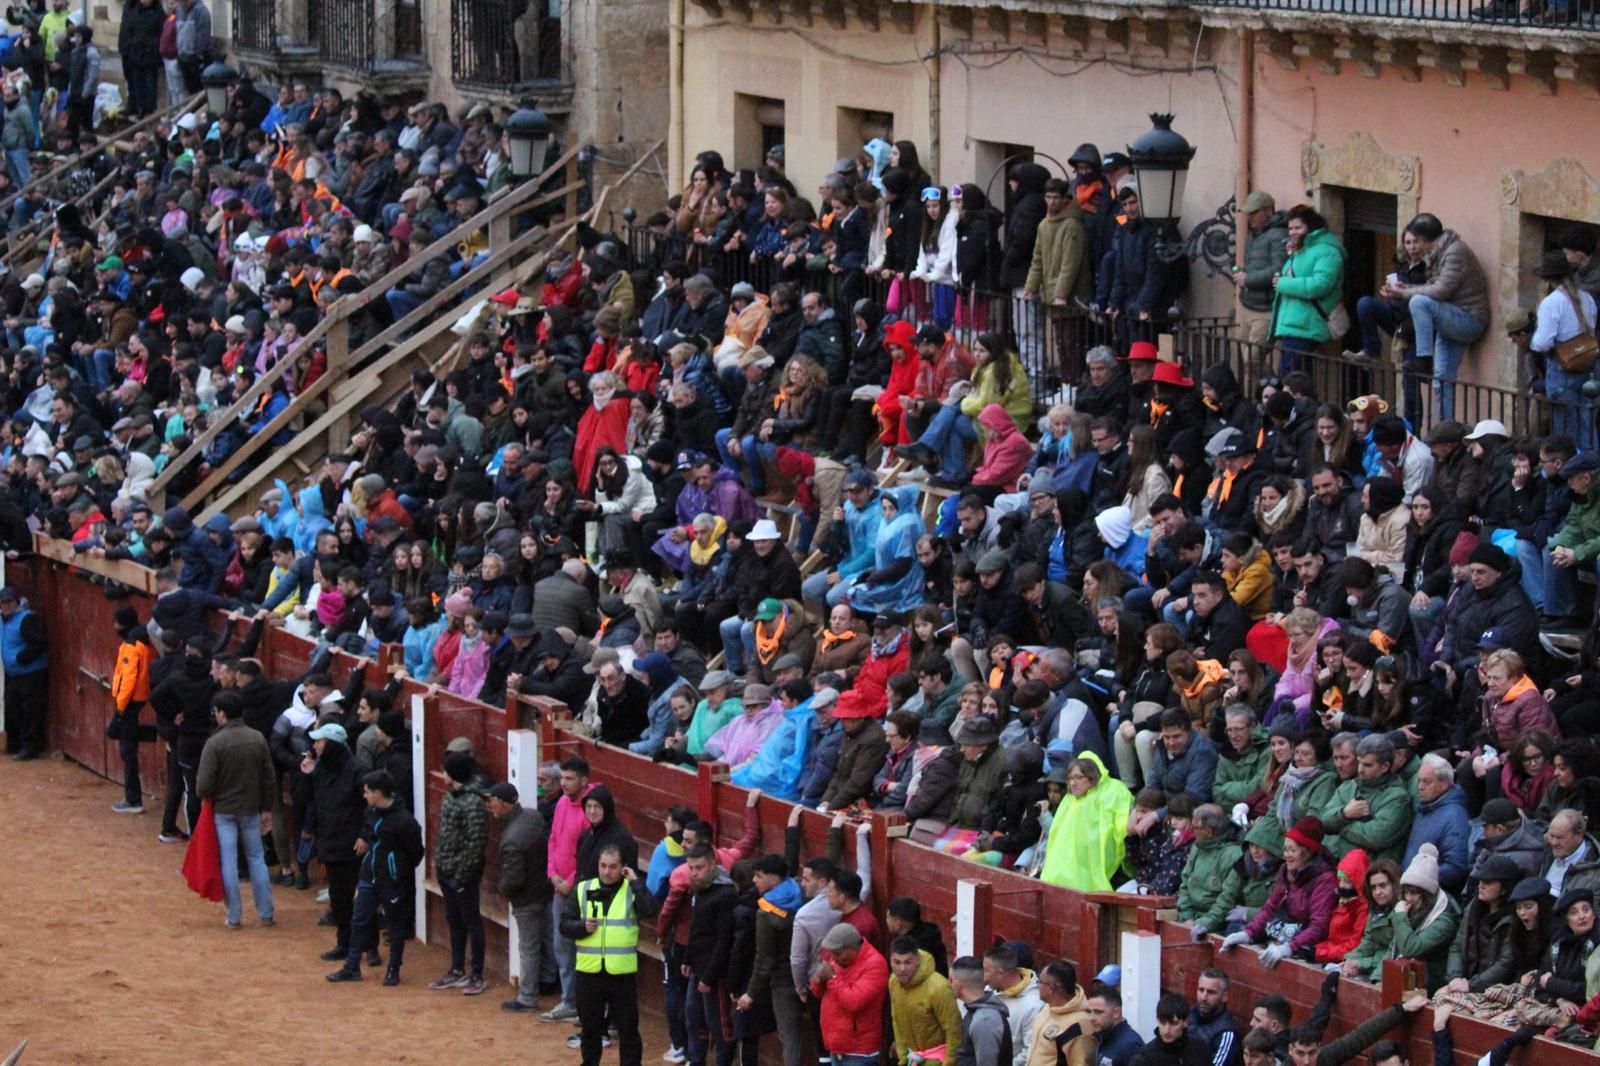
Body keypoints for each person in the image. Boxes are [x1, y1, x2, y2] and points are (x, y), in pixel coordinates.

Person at [561, 843, 659, 1066]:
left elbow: (650, 910)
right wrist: (581, 926)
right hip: (589, 971)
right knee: (590, 1029)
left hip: (621, 973)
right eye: (603, 866)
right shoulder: (583, 888)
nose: (607, 871)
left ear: (623, 867)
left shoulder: (632, 890)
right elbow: (564, 925)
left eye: (613, 867)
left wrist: (636, 882)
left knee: (628, 1028)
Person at [326, 770, 424, 986]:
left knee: (395, 924)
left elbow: (416, 854)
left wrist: (397, 872)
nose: (364, 795)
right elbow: (369, 833)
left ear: (377, 794)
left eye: (367, 792)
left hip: (392, 881)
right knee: (359, 919)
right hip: (369, 876)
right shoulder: (371, 812)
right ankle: (352, 966)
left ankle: (393, 969)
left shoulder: (405, 822)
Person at [195, 689, 276, 929]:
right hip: (251, 808)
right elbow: (269, 778)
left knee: (228, 861)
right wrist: (266, 808)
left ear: (222, 714)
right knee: (257, 859)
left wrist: (208, 796)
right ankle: (266, 913)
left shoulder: (215, 743)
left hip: (224, 811)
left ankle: (234, 916)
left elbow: (203, 786)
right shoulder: (257, 738)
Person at [429, 750, 491, 995]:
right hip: (447, 870)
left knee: (471, 921)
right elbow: (446, 835)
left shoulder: (472, 802)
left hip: (462, 874)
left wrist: (461, 876)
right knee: (455, 920)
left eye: (446, 770)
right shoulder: (451, 797)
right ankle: (457, 970)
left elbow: (476, 843)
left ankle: (476, 974)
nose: (443, 774)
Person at [489, 780, 553, 1013]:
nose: (490, 806)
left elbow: (513, 879)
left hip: (526, 899)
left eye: (493, 802)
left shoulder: (512, 839)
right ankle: (547, 980)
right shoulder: (533, 817)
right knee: (547, 939)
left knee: (528, 947)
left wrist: (502, 891)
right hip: (546, 890)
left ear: (504, 803)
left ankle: (527, 997)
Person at [812, 923, 889, 1066]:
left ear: (853, 948)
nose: (833, 958)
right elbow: (818, 993)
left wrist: (832, 978)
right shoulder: (840, 958)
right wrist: (818, 980)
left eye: (837, 954)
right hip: (837, 1046)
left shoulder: (875, 965)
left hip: (859, 1051)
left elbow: (854, 1002)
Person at [888, 934, 962, 1066]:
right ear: (890, 961)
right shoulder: (894, 981)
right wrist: (903, 1056)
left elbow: (953, 1029)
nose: (902, 969)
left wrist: (949, 1063)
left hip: (938, 1060)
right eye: (897, 962)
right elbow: (897, 1020)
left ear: (917, 959)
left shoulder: (939, 987)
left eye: (908, 962)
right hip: (912, 1059)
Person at [0, 585, 49, 761]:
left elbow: (39, 643)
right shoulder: (3, 621)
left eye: (9, 602)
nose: (7, 606)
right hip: (13, 674)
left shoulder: (27, 619)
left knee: (31, 711)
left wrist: (21, 658)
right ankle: (15, 744)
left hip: (31, 673)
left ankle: (31, 747)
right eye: (3, 602)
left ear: (17, 602)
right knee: (13, 708)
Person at [951, 954, 1013, 1066]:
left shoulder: (984, 1021)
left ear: (958, 984)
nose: (949, 984)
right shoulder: (977, 1012)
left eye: (951, 980)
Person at [1131, 994, 1210, 1066]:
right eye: (1162, 1022)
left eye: (1174, 1023)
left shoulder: (1200, 1050)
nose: (1167, 1030)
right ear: (1157, 1020)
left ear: (1186, 1022)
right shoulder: (1143, 1059)